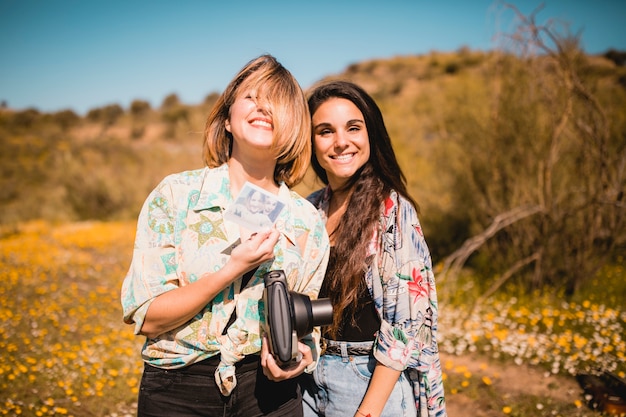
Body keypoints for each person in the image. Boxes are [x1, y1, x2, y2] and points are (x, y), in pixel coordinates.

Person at [121, 54, 330, 417]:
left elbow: (306, 332)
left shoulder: (307, 222)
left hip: (271, 397)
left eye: (276, 101)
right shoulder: (176, 196)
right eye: (251, 96)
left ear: (294, 126)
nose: (263, 106)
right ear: (228, 119)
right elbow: (148, 317)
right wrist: (231, 269)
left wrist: (300, 358)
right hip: (177, 390)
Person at [300, 81, 447, 417]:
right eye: (325, 131)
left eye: (353, 127)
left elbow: (406, 324)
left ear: (371, 134)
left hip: (369, 381)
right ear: (311, 143)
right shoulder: (308, 211)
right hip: (308, 378)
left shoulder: (392, 209)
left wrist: (368, 411)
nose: (341, 142)